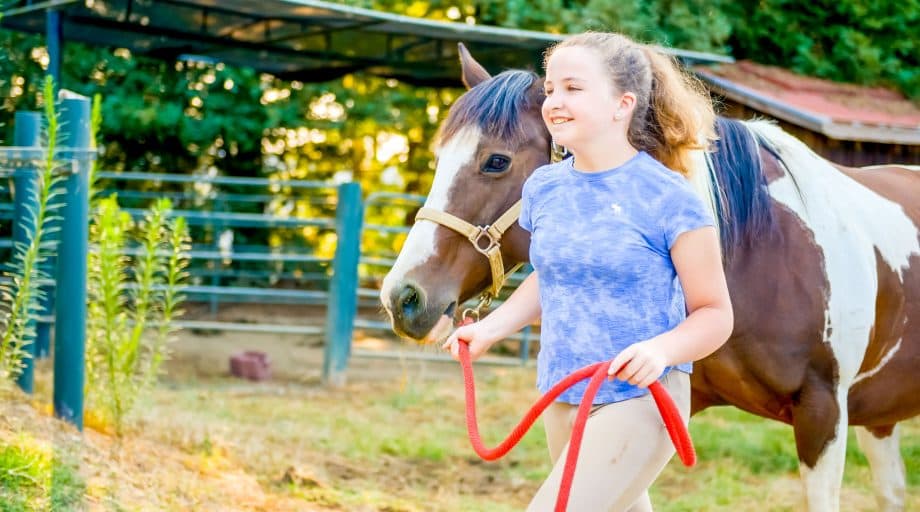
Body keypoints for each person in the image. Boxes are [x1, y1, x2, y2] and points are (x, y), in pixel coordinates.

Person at [442, 32, 734, 511]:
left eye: (573, 89)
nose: (555, 101)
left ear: (622, 104)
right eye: (552, 89)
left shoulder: (669, 197)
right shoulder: (544, 188)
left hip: (641, 399)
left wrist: (662, 350)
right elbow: (552, 274)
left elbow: (714, 312)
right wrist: (491, 328)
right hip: (562, 394)